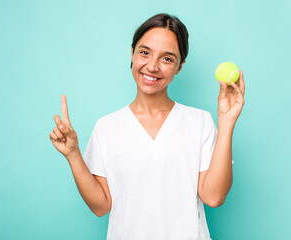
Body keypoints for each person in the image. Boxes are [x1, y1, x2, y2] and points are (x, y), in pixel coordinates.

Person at [49, 13, 245, 240]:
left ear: (179, 67)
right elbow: (100, 206)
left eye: (167, 59)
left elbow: (214, 197)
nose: (152, 66)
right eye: (145, 52)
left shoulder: (200, 122)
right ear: (132, 53)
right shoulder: (106, 127)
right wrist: (73, 155)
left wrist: (227, 122)